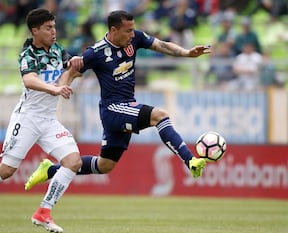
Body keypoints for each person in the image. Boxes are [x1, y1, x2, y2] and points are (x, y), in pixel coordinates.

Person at [24, 10, 211, 192]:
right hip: (113, 109)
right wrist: (59, 88)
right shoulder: (95, 52)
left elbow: (161, 45)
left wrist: (187, 53)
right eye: (127, 30)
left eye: (132, 30)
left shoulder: (135, 38)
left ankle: (50, 170)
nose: (132, 34)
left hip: (125, 107)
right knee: (159, 116)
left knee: (104, 165)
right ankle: (190, 160)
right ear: (113, 30)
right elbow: (71, 72)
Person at [0, 8, 84, 233]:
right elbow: (30, 80)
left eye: (54, 27)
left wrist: (76, 64)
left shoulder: (58, 50)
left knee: (73, 161)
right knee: (7, 170)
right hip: (27, 118)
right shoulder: (27, 54)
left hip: (49, 121)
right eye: (48, 28)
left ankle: (44, 211)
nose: (53, 32)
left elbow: (73, 70)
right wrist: (55, 88)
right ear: (35, 30)